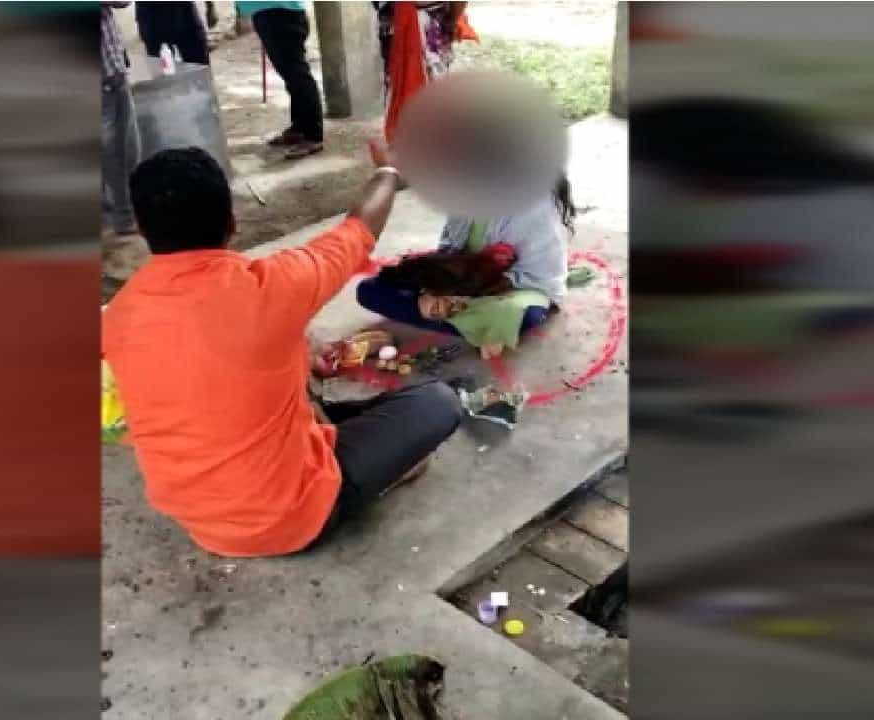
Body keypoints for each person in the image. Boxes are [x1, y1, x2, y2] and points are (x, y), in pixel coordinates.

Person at [102, 144, 462, 557]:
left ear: (142, 230)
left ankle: (356, 449)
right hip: (289, 520)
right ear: (232, 222)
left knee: (292, 381)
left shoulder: (120, 314)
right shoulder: (273, 285)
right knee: (437, 402)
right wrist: (389, 172)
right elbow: (360, 228)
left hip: (200, 522)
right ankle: (376, 477)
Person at [356, 176, 576, 358]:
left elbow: (538, 274)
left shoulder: (533, 207)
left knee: (523, 316)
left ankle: (483, 326)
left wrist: (458, 295)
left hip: (515, 287)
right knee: (370, 290)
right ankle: (480, 327)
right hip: (463, 277)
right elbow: (449, 249)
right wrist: (433, 289)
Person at [374, 1, 477, 140]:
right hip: (407, 22)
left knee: (411, 81)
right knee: (420, 81)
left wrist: (452, 20)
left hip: (414, 22)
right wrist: (452, 19)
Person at [237, 1, 324, 159]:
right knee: (291, 76)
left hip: (280, 11)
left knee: (297, 75)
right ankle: (300, 128)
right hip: (270, 11)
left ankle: (313, 135)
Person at [101, 1, 137, 235]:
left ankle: (114, 212)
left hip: (113, 71)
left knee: (121, 150)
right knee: (117, 152)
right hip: (105, 78)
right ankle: (123, 217)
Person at [134, 0, 210, 66]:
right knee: (163, 70)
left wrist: (209, 5)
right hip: (151, 18)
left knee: (199, 65)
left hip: (183, 14)